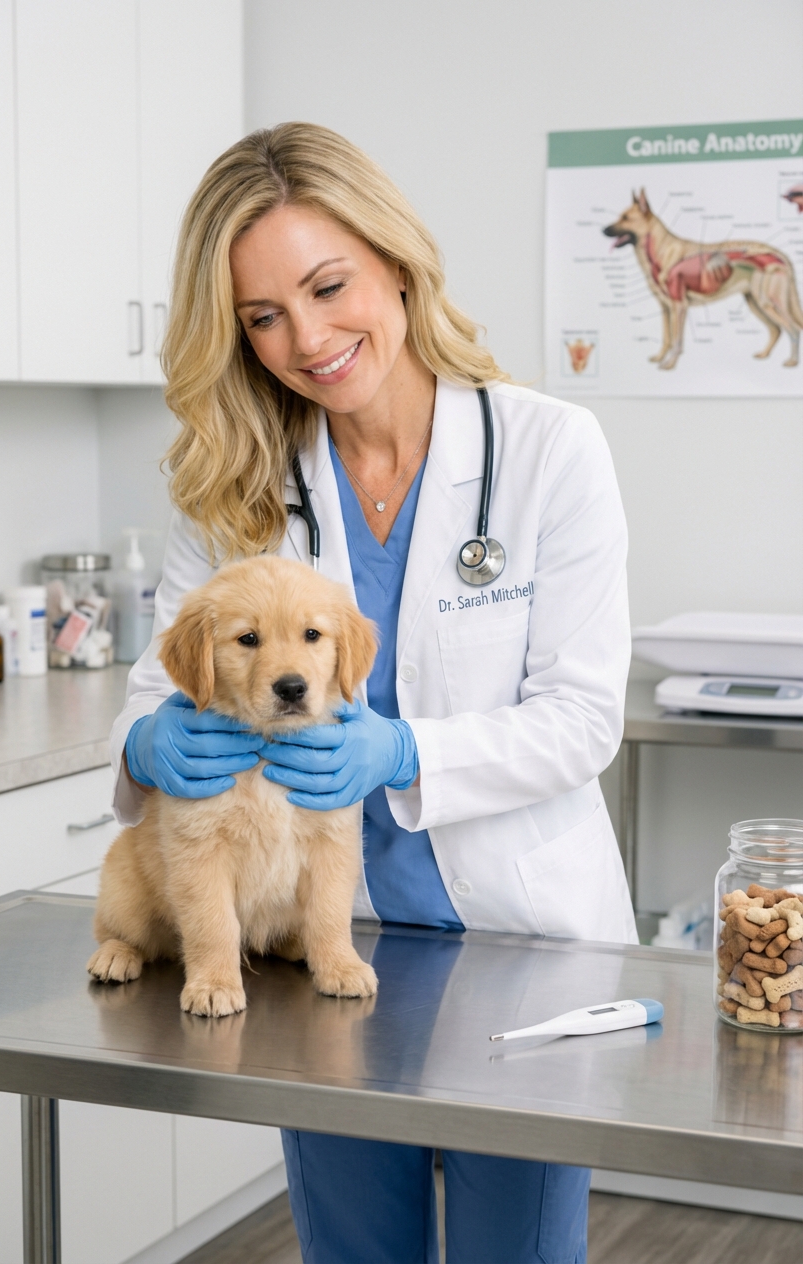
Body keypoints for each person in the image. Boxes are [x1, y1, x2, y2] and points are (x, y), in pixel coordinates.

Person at [110, 122, 636, 1264]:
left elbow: (584, 716)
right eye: (261, 315)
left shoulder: (549, 448)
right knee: (352, 1252)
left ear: (395, 261)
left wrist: (402, 755)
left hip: (513, 944)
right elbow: (159, 685)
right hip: (322, 950)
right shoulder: (232, 483)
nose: (306, 337)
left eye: (327, 284)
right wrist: (145, 742)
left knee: (517, 1252)